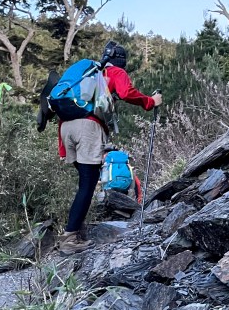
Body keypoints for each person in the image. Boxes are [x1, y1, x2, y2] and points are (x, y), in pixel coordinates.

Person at [57, 41, 162, 254]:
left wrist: (62, 148)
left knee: (85, 182)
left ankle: (75, 229)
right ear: (122, 61)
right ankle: (69, 238)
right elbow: (126, 92)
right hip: (88, 127)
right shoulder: (114, 72)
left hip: (66, 127)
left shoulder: (88, 73)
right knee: (88, 184)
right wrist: (151, 101)